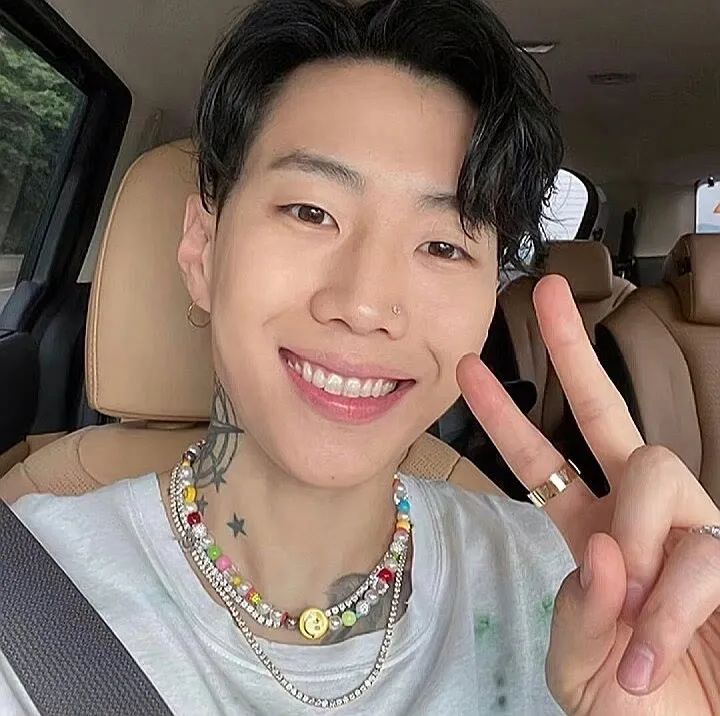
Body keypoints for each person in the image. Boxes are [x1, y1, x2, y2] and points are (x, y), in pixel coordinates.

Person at [3, 0, 720, 713]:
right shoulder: (27, 587)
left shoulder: (586, 592)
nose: (366, 303)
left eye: (443, 245)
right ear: (203, 248)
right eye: (311, 212)